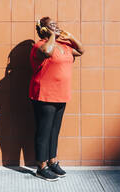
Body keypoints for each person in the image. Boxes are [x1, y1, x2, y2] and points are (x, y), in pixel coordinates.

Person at [30, 17, 84, 181]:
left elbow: (80, 51)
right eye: (51, 26)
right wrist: (52, 35)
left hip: (61, 94)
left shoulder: (64, 46)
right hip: (44, 94)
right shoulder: (40, 45)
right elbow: (46, 52)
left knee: (54, 131)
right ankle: (41, 166)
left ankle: (52, 162)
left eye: (56, 25)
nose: (56, 27)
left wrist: (71, 37)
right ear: (44, 29)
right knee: (44, 131)